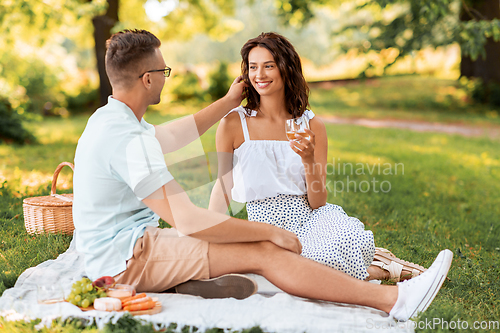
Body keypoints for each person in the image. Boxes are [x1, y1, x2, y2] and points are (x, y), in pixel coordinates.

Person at [73, 29, 452, 322]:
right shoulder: (126, 138)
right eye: (164, 70)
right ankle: (395, 300)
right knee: (263, 251)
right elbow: (188, 220)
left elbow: (173, 136)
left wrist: (225, 102)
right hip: (127, 258)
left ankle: (189, 279)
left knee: (255, 251)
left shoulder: (115, 122)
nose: (167, 76)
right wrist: (269, 231)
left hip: (130, 246)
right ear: (147, 79)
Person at [208, 32, 426, 282]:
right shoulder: (234, 124)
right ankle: (379, 269)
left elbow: (318, 201)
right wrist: (209, 230)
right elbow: (223, 185)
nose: (260, 75)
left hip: (311, 220)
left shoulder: (312, 126)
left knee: (320, 261)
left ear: (286, 68)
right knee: (292, 272)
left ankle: (380, 267)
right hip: (264, 229)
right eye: (253, 67)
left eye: (269, 66)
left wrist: (309, 159)